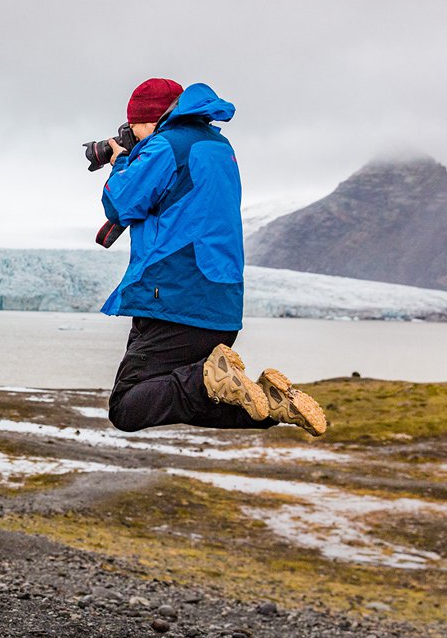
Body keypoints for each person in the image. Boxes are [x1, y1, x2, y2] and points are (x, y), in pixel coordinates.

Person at [100, 77, 327, 436]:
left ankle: (207, 379)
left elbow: (120, 202)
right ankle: (270, 405)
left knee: (127, 406)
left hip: (175, 301)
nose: (131, 132)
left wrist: (121, 161)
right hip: (221, 308)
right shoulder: (220, 146)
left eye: (132, 125)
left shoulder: (166, 146)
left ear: (149, 119)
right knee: (191, 397)